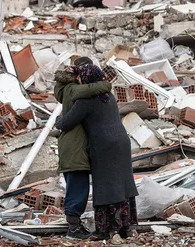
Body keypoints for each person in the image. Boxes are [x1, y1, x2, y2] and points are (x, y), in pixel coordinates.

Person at [55, 64, 139, 240]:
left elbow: (65, 123)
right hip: (122, 142)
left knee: (105, 186)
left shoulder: (86, 101)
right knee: (122, 184)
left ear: (85, 79)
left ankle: (104, 230)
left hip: (104, 145)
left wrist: (58, 118)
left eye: (80, 77)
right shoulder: (109, 96)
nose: (78, 80)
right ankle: (125, 228)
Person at [53, 59, 112, 240]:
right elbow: (91, 89)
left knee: (76, 186)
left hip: (71, 146)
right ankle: (74, 229)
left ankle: (74, 225)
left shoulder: (63, 90)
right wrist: (105, 83)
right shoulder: (73, 91)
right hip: (74, 147)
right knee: (78, 189)